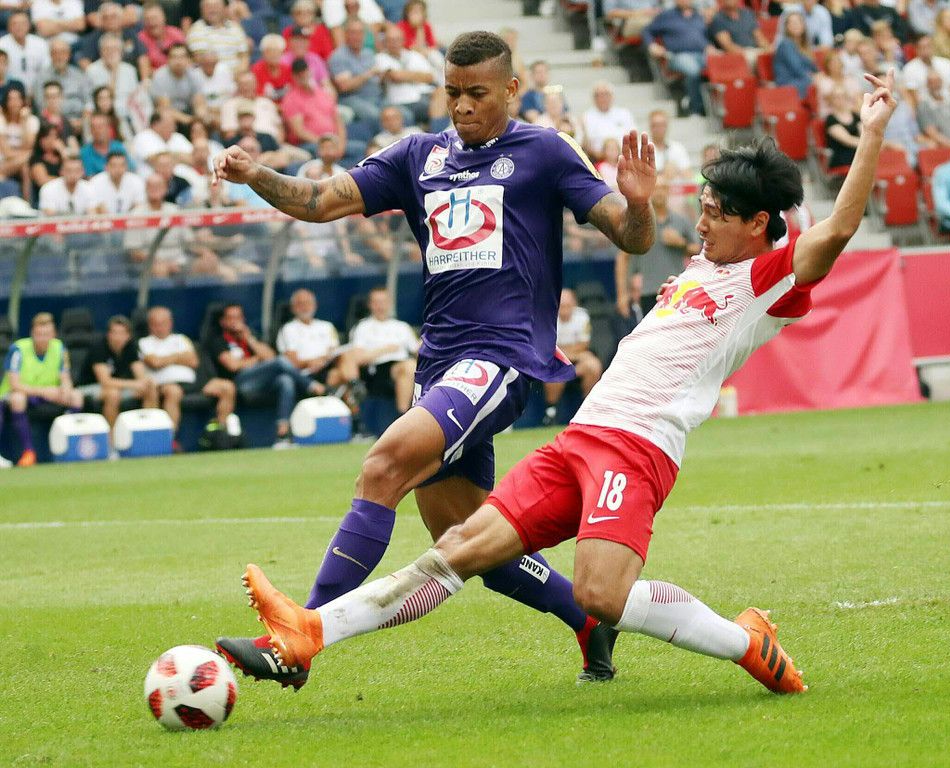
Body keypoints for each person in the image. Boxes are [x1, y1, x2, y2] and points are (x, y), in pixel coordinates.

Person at [237, 71, 903, 699]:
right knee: (460, 548)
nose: (699, 225)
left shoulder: (768, 279)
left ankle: (747, 642)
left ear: (756, 224)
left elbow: (840, 228)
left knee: (601, 595)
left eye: (714, 214)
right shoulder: (703, 264)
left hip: (637, 447)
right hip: (580, 436)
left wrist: (870, 131)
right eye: (700, 209)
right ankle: (311, 630)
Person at [211, 30, 658, 689]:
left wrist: (640, 202)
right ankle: (588, 621)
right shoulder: (417, 156)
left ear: (511, 89)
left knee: (383, 464)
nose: (462, 105)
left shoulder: (544, 151)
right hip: (439, 366)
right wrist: (256, 176)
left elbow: (630, 236)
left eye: (477, 93)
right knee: (472, 542)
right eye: (452, 92)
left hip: (501, 358)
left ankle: (298, 638)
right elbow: (318, 201)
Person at [206, 303, 327, 446]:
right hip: (238, 383)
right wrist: (258, 359)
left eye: (238, 317)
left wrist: (249, 339)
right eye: (231, 318)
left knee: (285, 380)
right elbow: (233, 366)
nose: (235, 322)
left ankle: (282, 433)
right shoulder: (218, 339)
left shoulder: (250, 336)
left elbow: (270, 357)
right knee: (281, 361)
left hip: (260, 383)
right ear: (223, 321)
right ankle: (311, 385)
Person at [139, 305, 235, 447]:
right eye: (156, 324)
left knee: (227, 387)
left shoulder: (181, 339)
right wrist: (179, 356)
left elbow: (193, 361)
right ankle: (169, 440)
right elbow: (155, 362)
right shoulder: (144, 342)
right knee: (174, 391)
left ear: (170, 323)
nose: (160, 328)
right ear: (150, 325)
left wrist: (166, 359)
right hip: (166, 385)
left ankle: (220, 434)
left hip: (194, 383)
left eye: (163, 323)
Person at [0, 312, 83, 468]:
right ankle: (28, 452)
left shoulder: (60, 347)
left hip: (49, 393)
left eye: (46, 335)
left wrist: (65, 389)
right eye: (39, 335)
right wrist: (44, 392)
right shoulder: (18, 349)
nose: (42, 339)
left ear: (53, 334)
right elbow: (15, 384)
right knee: (18, 399)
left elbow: (65, 377)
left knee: (76, 396)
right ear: (32, 334)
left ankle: (67, 445)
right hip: (23, 393)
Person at [616, 181, 699, 317]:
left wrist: (681, 243)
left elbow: (698, 251)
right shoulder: (639, 222)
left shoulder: (681, 221)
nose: (659, 192)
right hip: (648, 292)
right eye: (655, 188)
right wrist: (622, 295)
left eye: (663, 188)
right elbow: (623, 257)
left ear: (669, 191)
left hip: (676, 290)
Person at [347, 286, 419, 414]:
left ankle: (404, 414)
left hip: (402, 364)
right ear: (370, 305)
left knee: (411, 367)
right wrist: (385, 350)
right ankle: (404, 416)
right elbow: (357, 358)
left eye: (383, 302)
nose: (380, 306)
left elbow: (417, 351)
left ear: (390, 303)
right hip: (376, 370)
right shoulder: (363, 327)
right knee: (409, 366)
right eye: (376, 302)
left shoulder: (402, 326)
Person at [77, 314, 157, 429]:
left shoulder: (131, 347)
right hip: (90, 387)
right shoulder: (99, 348)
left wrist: (145, 383)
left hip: (120, 387)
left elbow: (141, 376)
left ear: (128, 336)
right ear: (108, 334)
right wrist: (135, 384)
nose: (117, 337)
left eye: (122, 333)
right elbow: (105, 382)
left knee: (150, 387)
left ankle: (148, 430)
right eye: (114, 333)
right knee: (113, 394)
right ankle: (111, 436)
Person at [542, 288, 602, 426]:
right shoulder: (548, 318)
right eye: (562, 306)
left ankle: (588, 410)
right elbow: (547, 348)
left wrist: (564, 351)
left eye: (568, 306)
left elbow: (583, 345)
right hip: (555, 361)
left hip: (575, 360)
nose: (565, 310)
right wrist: (570, 353)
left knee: (593, 365)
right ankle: (551, 413)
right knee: (554, 369)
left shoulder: (582, 316)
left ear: (574, 304)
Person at [277, 288, 357, 391]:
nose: (305, 307)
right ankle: (354, 388)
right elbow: (291, 362)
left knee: (346, 358)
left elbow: (334, 351)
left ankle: (354, 386)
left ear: (315, 305)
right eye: (300, 304)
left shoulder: (327, 326)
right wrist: (310, 362)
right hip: (306, 373)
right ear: (293, 308)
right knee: (338, 377)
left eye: (308, 303)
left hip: (327, 366)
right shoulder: (288, 329)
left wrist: (323, 360)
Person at [643, 0, 710, 117]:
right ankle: (696, 110)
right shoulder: (667, 15)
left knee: (722, 67)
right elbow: (647, 31)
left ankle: (719, 109)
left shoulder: (699, 15)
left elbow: (705, 37)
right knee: (693, 70)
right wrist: (652, 46)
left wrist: (710, 47)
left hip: (702, 54)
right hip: (677, 56)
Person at [328, 18, 383, 126]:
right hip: (352, 99)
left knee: (402, 114)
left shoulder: (368, 53)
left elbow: (378, 79)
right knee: (379, 117)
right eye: (353, 32)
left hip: (376, 96)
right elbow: (344, 86)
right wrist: (368, 74)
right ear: (346, 34)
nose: (357, 36)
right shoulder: (338, 56)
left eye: (360, 32)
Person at [34, 38, 89, 129]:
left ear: (69, 55)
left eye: (63, 52)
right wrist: (65, 122)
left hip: (79, 122)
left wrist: (82, 121)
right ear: (50, 55)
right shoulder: (41, 78)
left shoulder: (79, 75)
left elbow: (88, 102)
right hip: (52, 124)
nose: (59, 56)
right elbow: (41, 105)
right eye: (55, 53)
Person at [149, 43, 206, 127]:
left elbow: (199, 102)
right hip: (167, 116)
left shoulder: (194, 75)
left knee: (205, 122)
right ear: (168, 60)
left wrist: (200, 118)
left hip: (189, 112)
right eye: (174, 57)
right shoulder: (160, 76)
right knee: (166, 118)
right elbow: (165, 108)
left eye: (182, 57)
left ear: (189, 59)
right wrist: (190, 120)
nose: (178, 61)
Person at [185, 0, 248, 71]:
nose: (212, 10)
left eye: (216, 6)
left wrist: (239, 73)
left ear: (225, 8)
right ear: (201, 10)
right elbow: (200, 61)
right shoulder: (196, 30)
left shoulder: (235, 28)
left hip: (237, 74)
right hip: (210, 75)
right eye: (208, 6)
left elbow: (244, 57)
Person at [581, 81, 636, 159]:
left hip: (624, 157)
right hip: (597, 160)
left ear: (612, 96)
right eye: (598, 95)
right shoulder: (586, 117)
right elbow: (586, 145)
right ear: (593, 98)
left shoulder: (624, 114)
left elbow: (634, 138)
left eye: (606, 94)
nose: (602, 98)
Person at [901, 35, 950, 107]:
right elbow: (915, 100)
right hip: (926, 109)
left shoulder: (947, 64)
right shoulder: (909, 69)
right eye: (922, 47)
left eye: (928, 46)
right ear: (916, 49)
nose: (926, 51)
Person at [708, 0, 768, 69]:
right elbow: (728, 46)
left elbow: (759, 37)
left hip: (755, 50)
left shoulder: (747, 13)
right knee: (757, 60)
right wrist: (748, 53)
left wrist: (768, 49)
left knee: (773, 56)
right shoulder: (717, 19)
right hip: (737, 56)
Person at [0, 12, 49, 94]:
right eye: (15, 24)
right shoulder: (1, 45)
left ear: (29, 25)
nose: (19, 27)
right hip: (9, 92)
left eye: (23, 23)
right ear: (8, 27)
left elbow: (46, 69)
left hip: (37, 90)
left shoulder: (40, 43)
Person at [773, 11, 817, 100]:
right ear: (787, 27)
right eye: (792, 23)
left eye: (798, 22)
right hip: (789, 84)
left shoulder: (805, 46)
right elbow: (797, 68)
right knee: (820, 85)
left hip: (803, 80)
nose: (795, 25)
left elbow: (814, 67)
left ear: (803, 25)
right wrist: (814, 78)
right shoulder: (785, 44)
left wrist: (821, 75)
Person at [137, 1, 186, 72]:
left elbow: (187, 60)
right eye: (147, 19)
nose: (151, 22)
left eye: (154, 18)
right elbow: (145, 69)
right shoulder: (141, 38)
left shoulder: (176, 33)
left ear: (164, 18)